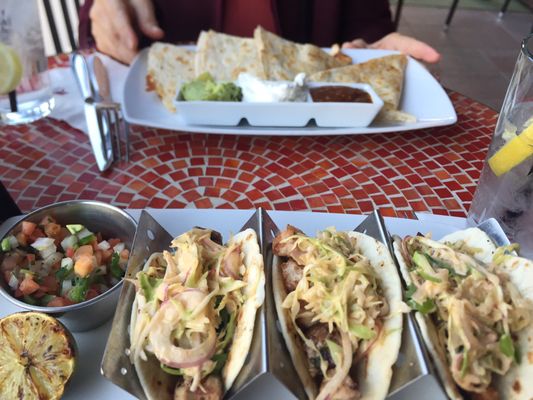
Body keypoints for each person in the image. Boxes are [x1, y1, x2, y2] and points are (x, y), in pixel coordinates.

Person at [79, 0, 441, 65]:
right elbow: (97, 30)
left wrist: (372, 54)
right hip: (166, 148)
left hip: (315, 151)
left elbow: (368, 28)